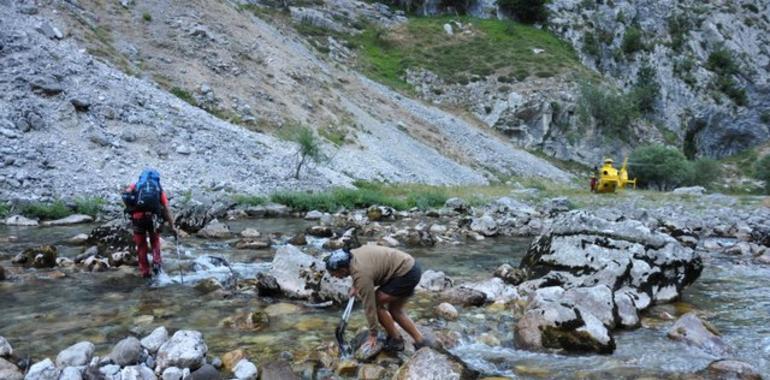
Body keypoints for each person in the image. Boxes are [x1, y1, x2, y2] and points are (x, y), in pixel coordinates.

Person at [325, 244, 430, 352]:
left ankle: (396, 340)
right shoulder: (352, 255)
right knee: (395, 310)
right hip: (411, 266)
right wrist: (355, 285)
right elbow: (361, 268)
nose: (334, 277)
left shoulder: (361, 275)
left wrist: (373, 334)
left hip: (404, 274)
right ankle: (421, 341)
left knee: (375, 303)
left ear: (342, 269)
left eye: (334, 274)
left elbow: (370, 307)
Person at [122, 168, 177, 278]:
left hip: (138, 218)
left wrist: (131, 209)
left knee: (141, 245)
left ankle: (145, 272)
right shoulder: (157, 188)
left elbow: (125, 196)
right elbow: (166, 208)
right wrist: (172, 226)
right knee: (155, 241)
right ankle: (157, 265)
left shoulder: (136, 185)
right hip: (153, 218)